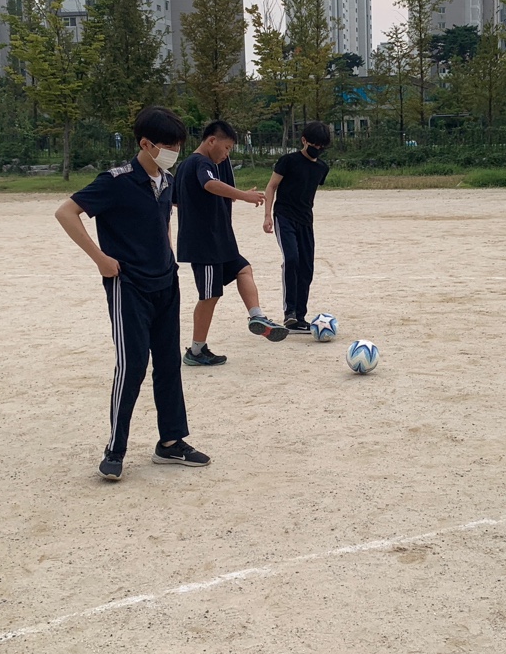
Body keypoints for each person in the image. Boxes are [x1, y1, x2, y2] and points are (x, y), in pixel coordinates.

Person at [54, 106, 210, 480]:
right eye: (168, 146)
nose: (174, 152)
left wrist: (169, 259)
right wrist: (100, 259)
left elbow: (162, 226)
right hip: (130, 286)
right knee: (133, 364)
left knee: (169, 363)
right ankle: (115, 448)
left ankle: (170, 443)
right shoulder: (116, 181)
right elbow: (66, 212)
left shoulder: (166, 182)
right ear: (145, 144)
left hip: (165, 283)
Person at [175, 119, 287, 367]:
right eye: (226, 148)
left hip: (220, 240)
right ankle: (196, 350)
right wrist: (244, 196)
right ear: (212, 141)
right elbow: (209, 184)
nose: (227, 154)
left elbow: (178, 200)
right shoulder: (199, 162)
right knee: (209, 295)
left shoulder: (185, 166)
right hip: (204, 244)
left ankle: (257, 317)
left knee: (243, 268)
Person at [263, 121, 332, 333]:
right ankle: (289, 313)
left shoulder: (322, 168)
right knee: (291, 259)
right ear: (303, 140)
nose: (318, 150)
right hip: (284, 217)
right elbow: (272, 186)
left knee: (306, 268)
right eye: (315, 144)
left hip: (305, 221)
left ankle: (300, 317)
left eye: (322, 147)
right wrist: (267, 216)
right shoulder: (288, 161)